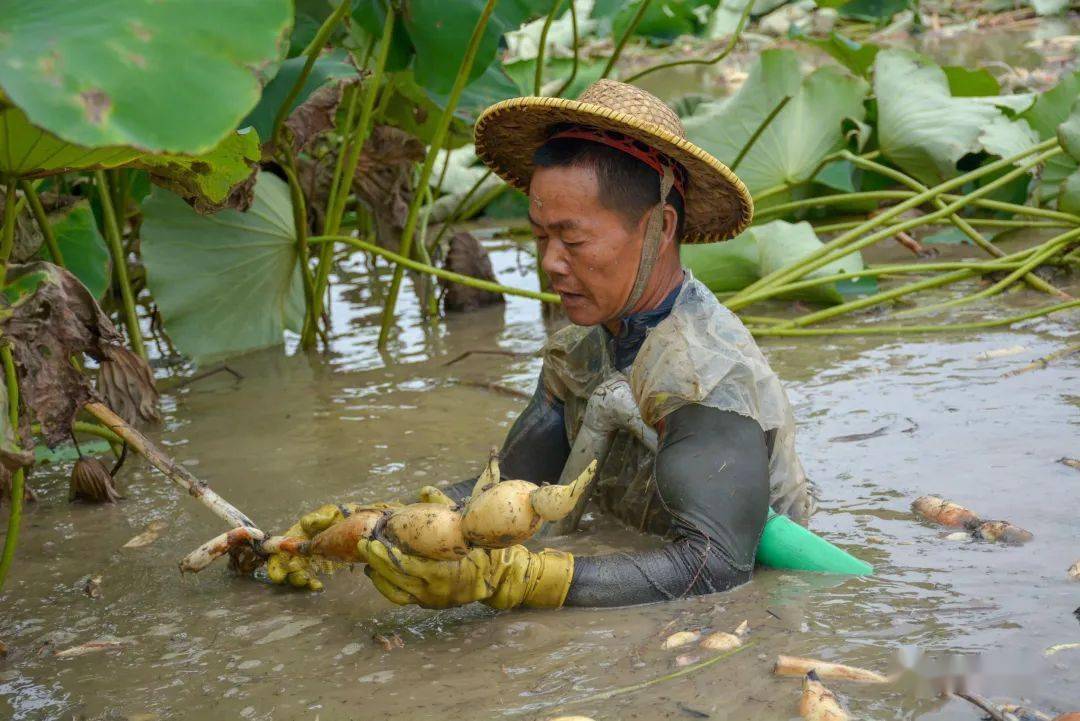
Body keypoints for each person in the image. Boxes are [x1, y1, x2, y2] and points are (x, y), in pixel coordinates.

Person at [269, 79, 814, 608]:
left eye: (573, 239)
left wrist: (524, 580)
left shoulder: (707, 376)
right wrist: (365, 524)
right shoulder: (578, 347)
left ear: (660, 228)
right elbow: (515, 484)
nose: (550, 262)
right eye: (539, 236)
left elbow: (714, 566)